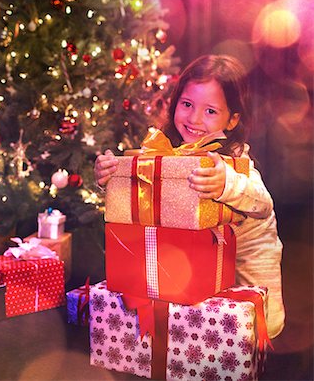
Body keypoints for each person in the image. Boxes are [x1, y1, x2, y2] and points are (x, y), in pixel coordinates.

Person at [94, 54, 285, 339]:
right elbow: (142, 189)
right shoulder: (164, 149)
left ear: (232, 120)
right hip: (197, 259)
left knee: (253, 332)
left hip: (248, 260)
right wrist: (111, 176)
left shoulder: (234, 158)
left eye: (210, 111)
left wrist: (226, 183)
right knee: (198, 328)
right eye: (187, 105)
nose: (194, 119)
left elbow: (262, 203)